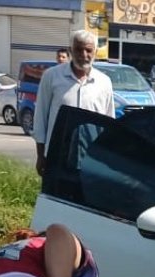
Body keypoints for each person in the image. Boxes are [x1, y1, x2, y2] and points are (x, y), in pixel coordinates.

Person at [33, 30, 115, 177]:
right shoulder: (52, 76)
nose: (84, 55)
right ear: (70, 51)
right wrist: (40, 155)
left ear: (95, 52)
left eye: (88, 50)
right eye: (78, 49)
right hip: (57, 155)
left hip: (91, 158)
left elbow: (109, 123)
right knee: (55, 198)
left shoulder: (104, 82)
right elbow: (40, 118)